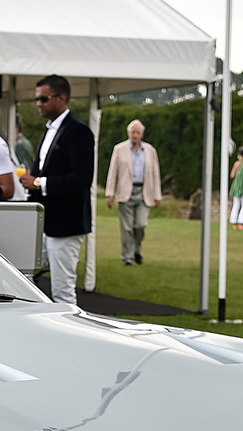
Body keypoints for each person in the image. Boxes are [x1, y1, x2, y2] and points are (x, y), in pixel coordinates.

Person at [21, 74, 94, 304]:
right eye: (37, 100)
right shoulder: (50, 130)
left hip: (66, 223)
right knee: (22, 276)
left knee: (62, 290)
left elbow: (83, 179)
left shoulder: (78, 131)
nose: (38, 104)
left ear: (61, 98)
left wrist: (40, 183)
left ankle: (72, 335)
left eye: (43, 99)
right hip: (44, 222)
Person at [105, 119, 161, 265]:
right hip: (125, 193)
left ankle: (136, 249)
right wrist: (110, 193)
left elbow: (155, 173)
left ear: (141, 134)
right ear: (128, 133)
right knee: (127, 228)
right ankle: (127, 258)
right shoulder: (119, 149)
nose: (135, 135)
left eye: (138, 132)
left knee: (140, 225)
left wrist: (157, 194)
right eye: (132, 132)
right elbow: (113, 172)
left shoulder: (150, 150)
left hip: (144, 192)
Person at [228, 145, 243, 228]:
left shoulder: (236, 164)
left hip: (236, 186)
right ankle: (241, 222)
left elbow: (232, 175)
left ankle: (234, 222)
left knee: (236, 204)